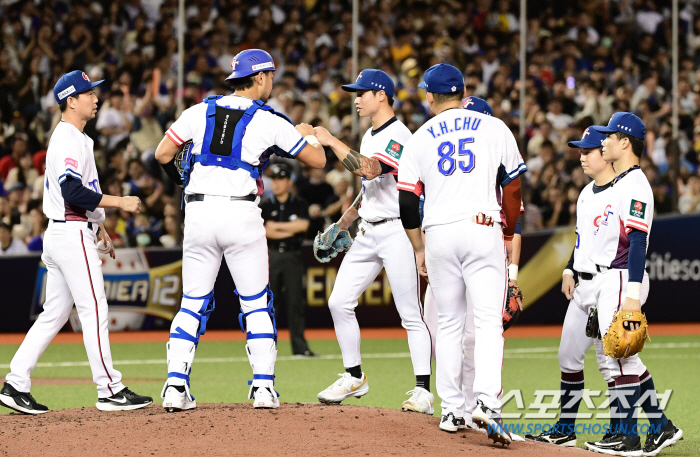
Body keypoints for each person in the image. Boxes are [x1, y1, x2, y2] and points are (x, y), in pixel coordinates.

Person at [154, 49, 325, 412]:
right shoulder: (268, 119)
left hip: (199, 213)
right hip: (240, 213)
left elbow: (162, 153)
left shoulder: (198, 111)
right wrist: (306, 136)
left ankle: (174, 386)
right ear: (260, 78)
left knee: (192, 301)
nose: (272, 82)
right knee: (255, 301)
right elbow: (318, 161)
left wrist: (185, 184)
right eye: (271, 76)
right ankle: (263, 388)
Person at [0, 70, 150, 415]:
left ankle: (15, 383)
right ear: (71, 101)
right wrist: (119, 202)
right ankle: (110, 388)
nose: (95, 98)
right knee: (94, 308)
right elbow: (72, 191)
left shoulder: (77, 137)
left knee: (54, 314)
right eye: (88, 94)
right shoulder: (68, 137)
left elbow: (77, 194)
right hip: (69, 233)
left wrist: (98, 227)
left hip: (65, 231)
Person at [397, 64, 525, 443]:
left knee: (449, 323)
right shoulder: (495, 127)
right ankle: (486, 403)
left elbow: (407, 202)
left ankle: (451, 409)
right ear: (464, 92)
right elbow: (514, 188)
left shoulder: (419, 137)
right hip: (483, 226)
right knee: (487, 323)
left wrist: (419, 247)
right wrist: (508, 230)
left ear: (430, 97)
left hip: (438, 232)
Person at [312, 69, 434, 414]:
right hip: (369, 229)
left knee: (410, 313)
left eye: (362, 92)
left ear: (382, 95)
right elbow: (369, 192)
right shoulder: (369, 134)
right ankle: (354, 377)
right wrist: (342, 223)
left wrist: (331, 140)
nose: (356, 98)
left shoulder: (399, 135)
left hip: (399, 230)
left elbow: (369, 170)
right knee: (339, 302)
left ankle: (423, 391)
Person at [582, 113, 683, 456]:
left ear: (625, 142)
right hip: (614, 278)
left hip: (625, 276)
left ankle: (627, 437)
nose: (604, 141)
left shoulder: (635, 184)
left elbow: (638, 242)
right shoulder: (622, 182)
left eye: (609, 136)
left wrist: (632, 296)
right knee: (624, 359)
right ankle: (660, 426)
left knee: (620, 358)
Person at [259, 163, 315, 357]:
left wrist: (276, 227)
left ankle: (300, 348)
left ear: (289, 181)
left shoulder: (299, 203)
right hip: (271, 255)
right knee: (269, 303)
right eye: (274, 179)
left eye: (280, 179)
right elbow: (264, 231)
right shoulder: (265, 205)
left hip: (292, 255)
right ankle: (265, 349)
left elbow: (303, 226)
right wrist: (290, 227)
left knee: (295, 303)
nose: (276, 184)